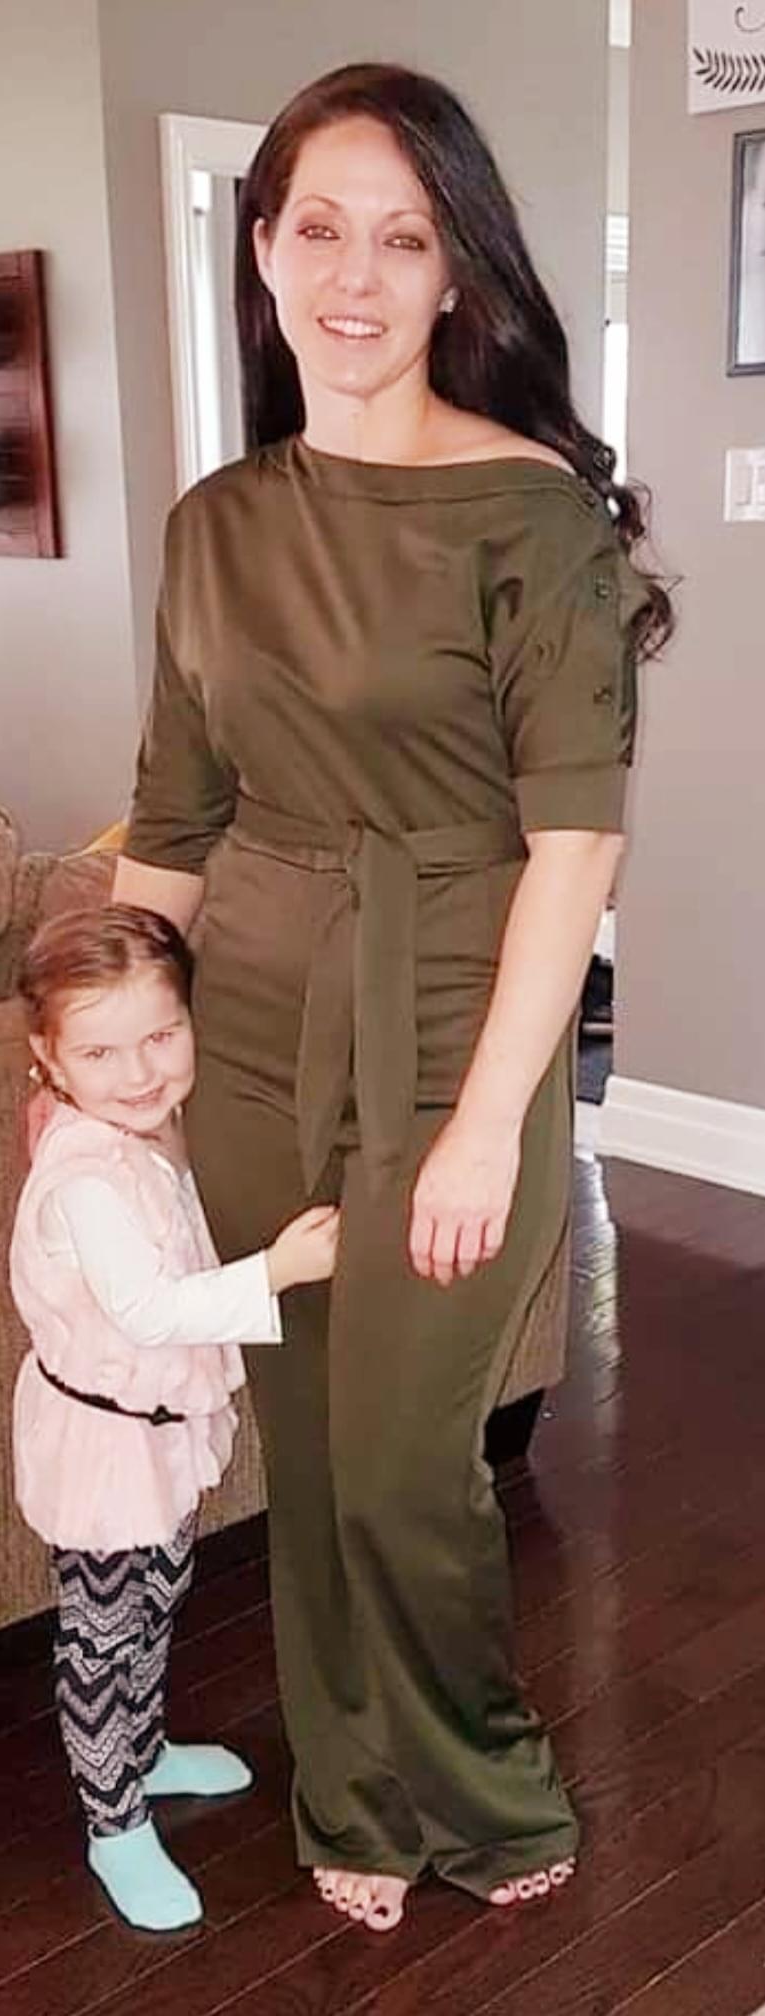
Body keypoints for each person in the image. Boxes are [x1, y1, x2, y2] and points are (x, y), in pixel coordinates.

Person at [113, 63, 672, 1933]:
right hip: (254, 1027)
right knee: (307, 1442)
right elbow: (172, 820)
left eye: (403, 238)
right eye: (320, 230)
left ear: (456, 274)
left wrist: (491, 1123)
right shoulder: (215, 522)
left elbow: (573, 850)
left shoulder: (532, 517)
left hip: (455, 1014)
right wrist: (98, 1063)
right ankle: (348, 1791)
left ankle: (484, 1784)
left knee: (409, 1460)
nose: (355, 276)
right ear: (264, 250)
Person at [9, 903, 339, 1931]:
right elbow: (148, 1309)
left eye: (161, 1035)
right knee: (104, 1636)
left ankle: (143, 1752)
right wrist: (278, 1269)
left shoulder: (130, 1132)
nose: (140, 1071)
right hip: (104, 1447)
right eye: (100, 1052)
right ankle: (113, 1822)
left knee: (156, 1599)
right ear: (48, 1058)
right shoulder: (87, 1179)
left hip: (150, 1434)